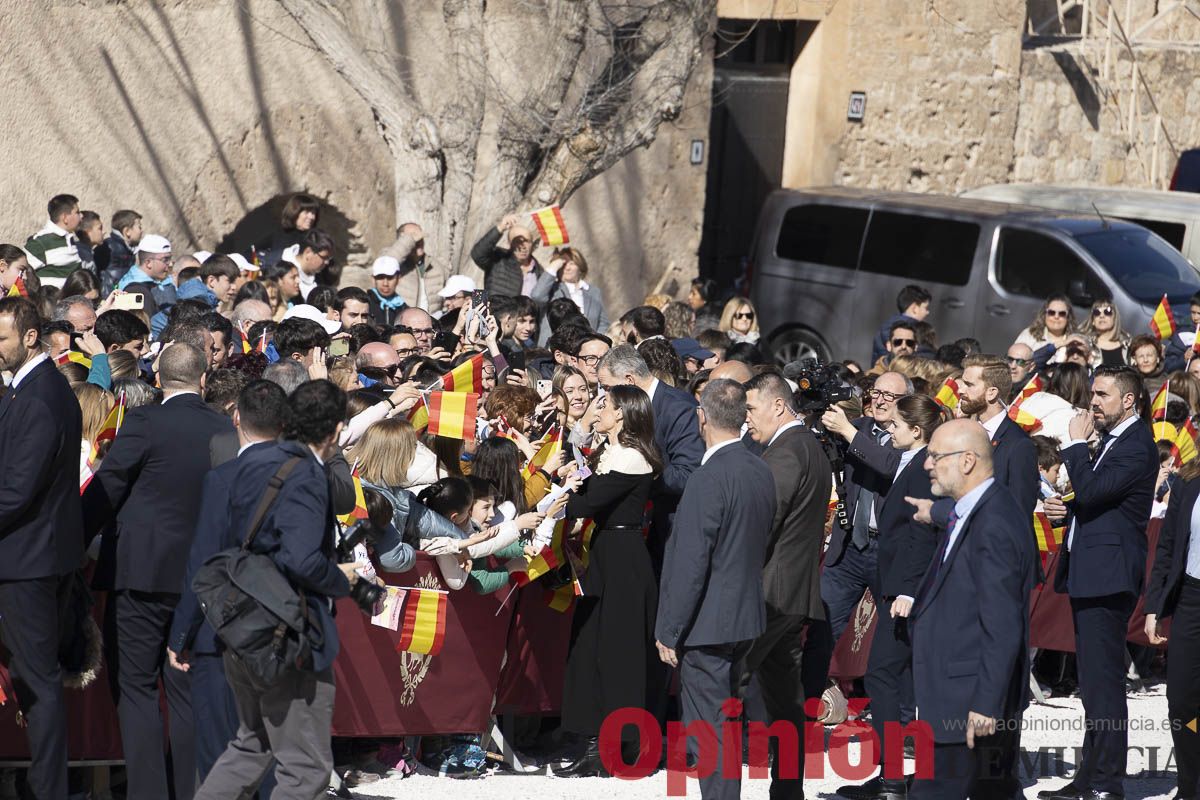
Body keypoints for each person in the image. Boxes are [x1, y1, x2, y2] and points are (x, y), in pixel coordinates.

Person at [194, 380, 360, 799]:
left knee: (252, 745)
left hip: (244, 624)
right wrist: (343, 578)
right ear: (337, 431)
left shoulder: (253, 462)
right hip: (286, 632)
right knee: (305, 770)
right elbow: (301, 560)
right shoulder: (305, 473)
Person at [82, 342, 234, 800]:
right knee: (186, 689)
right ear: (204, 380)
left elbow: (108, 487)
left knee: (135, 688)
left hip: (141, 572)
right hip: (203, 577)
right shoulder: (225, 427)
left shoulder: (144, 421)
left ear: (157, 380)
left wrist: (71, 537)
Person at [1038, 366, 1157, 800]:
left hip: (1109, 576)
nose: (1093, 402)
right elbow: (1099, 503)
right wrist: (1066, 514)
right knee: (1092, 682)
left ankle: (1107, 782)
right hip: (1093, 571)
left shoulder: (1136, 444)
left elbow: (1091, 492)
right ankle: (1089, 779)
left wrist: (1072, 444)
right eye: (1092, 393)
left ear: (1129, 400)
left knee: (1103, 683)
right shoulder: (1112, 442)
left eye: (1102, 395)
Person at [167, 380, 291, 797]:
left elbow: (204, 563)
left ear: (236, 417)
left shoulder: (224, 479)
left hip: (226, 636)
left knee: (225, 756)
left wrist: (181, 632)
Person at [655, 379, 776, 800]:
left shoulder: (707, 478)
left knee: (709, 730)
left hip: (708, 623)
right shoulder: (760, 467)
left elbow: (690, 563)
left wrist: (670, 629)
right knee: (722, 724)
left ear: (701, 417)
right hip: (744, 616)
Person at [906, 420, 1036, 800]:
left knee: (935, 791)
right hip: (959, 694)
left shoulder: (994, 524)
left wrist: (985, 704)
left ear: (966, 462)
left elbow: (1003, 624)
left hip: (965, 703)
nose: (927, 464)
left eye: (935, 456)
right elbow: (963, 516)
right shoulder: (984, 507)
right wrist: (935, 512)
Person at [838, 395, 941, 800]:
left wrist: (907, 591)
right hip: (896, 584)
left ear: (916, 431)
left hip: (904, 591)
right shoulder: (910, 463)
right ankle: (901, 776)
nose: (889, 431)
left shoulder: (920, 468)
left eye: (896, 425)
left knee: (882, 675)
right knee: (897, 676)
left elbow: (922, 536)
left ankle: (892, 779)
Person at [0, 297, 83, 798]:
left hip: (28, 560)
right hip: (32, 553)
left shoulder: (38, 396)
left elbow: (16, 490)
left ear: (30, 337)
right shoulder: (29, 390)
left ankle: (48, 788)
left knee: (39, 681)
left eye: (2, 338)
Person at [556, 385, 661, 776]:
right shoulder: (612, 452)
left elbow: (585, 502)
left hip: (623, 559)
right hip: (606, 552)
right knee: (589, 648)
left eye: (606, 405)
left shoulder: (631, 456)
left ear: (621, 415)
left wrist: (564, 486)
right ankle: (591, 742)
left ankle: (616, 747)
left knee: (618, 655)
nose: (598, 410)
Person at [742, 371, 831, 800]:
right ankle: (788, 789)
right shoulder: (804, 445)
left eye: (751, 409)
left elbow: (763, 521)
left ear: (778, 405)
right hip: (791, 592)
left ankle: (718, 787)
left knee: (721, 683)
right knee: (784, 700)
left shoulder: (787, 452)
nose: (746, 419)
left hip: (769, 594)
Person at [814, 371, 912, 692]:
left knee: (892, 630)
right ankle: (814, 691)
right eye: (876, 392)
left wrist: (845, 431)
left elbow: (887, 464)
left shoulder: (909, 436)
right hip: (848, 548)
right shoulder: (860, 428)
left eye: (890, 396)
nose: (880, 400)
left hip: (886, 549)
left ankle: (887, 699)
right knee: (823, 621)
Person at [597, 345, 704, 575]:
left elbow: (689, 474)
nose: (604, 396)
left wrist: (639, 475)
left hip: (672, 531)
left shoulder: (678, 408)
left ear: (629, 380)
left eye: (607, 388)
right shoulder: (631, 409)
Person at [1144, 452, 1200, 800]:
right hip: (1192, 599)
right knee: (1181, 699)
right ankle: (1191, 783)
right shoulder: (1187, 481)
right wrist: (1154, 607)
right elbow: (1167, 548)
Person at [532, 247, 609, 332]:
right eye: (563, 265)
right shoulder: (552, 290)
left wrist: (595, 341)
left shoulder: (594, 291)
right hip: (555, 343)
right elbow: (537, 296)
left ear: (580, 267)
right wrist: (554, 265)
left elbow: (603, 323)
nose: (567, 268)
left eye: (571, 263)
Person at [470, 213, 544, 297]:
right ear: (509, 243)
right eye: (517, 241)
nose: (522, 246)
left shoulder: (539, 270)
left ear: (532, 243)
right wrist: (500, 228)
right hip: (497, 309)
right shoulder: (498, 259)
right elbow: (477, 254)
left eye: (526, 241)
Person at [25, 193, 83, 287]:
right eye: (77, 212)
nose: (81, 216)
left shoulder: (69, 239)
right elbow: (21, 274)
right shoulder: (40, 242)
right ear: (65, 218)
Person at [871, 284, 931, 364]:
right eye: (925, 308)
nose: (927, 312)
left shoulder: (888, 326)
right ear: (915, 308)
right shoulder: (907, 330)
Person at [1014, 294, 1076, 361]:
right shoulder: (1029, 335)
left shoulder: (1075, 342)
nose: (1056, 317)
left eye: (1062, 313)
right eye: (1051, 312)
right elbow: (1014, 361)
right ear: (1044, 314)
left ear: (1069, 317)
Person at [1081, 299, 1130, 368]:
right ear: (1093, 321)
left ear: (1115, 318)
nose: (1102, 316)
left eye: (1107, 312)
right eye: (1097, 312)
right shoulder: (1085, 345)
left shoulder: (1128, 345)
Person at [104, 209, 143, 292]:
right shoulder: (112, 248)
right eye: (139, 227)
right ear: (127, 231)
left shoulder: (127, 249)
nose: (141, 231)